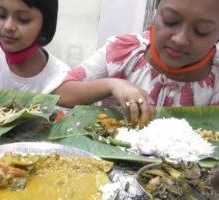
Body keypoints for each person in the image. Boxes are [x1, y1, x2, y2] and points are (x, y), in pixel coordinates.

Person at [54, 0, 219, 126]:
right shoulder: (122, 52)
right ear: (156, 13)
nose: (180, 39)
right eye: (170, 21)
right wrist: (113, 85)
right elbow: (60, 93)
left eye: (201, 31)